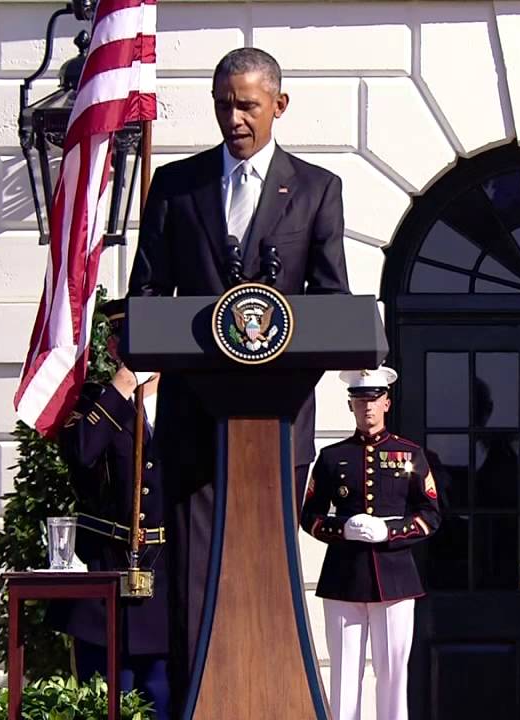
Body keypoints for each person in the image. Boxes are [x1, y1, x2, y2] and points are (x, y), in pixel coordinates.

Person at [125, 46, 351, 701]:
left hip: (277, 424)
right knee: (196, 578)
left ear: (279, 105)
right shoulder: (176, 186)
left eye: (248, 105)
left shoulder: (316, 191)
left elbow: (335, 303)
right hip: (196, 420)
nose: (235, 119)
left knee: (266, 572)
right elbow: (147, 297)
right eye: (224, 104)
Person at [52, 298, 170, 718]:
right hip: (104, 572)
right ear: (114, 348)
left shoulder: (182, 405)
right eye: (129, 344)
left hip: (165, 577)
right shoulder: (91, 402)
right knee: (105, 699)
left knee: (162, 696)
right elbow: (81, 452)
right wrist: (121, 387)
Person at [300, 367, 441, 720]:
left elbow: (431, 514)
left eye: (374, 400)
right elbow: (309, 516)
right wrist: (341, 530)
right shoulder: (332, 457)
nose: (367, 407)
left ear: (387, 403)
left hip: (395, 578)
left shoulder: (409, 453)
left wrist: (390, 532)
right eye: (360, 400)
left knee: (392, 673)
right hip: (344, 578)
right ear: (350, 405)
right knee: (345, 675)